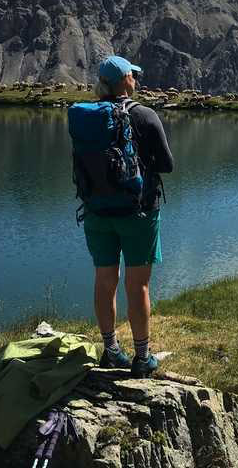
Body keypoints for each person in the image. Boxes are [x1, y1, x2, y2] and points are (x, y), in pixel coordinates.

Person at [83, 55, 174, 376]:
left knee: (104, 280)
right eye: (133, 75)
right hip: (138, 212)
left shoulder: (88, 116)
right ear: (125, 80)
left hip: (96, 212)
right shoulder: (144, 115)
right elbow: (167, 164)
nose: (136, 78)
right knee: (138, 286)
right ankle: (142, 357)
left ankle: (110, 350)